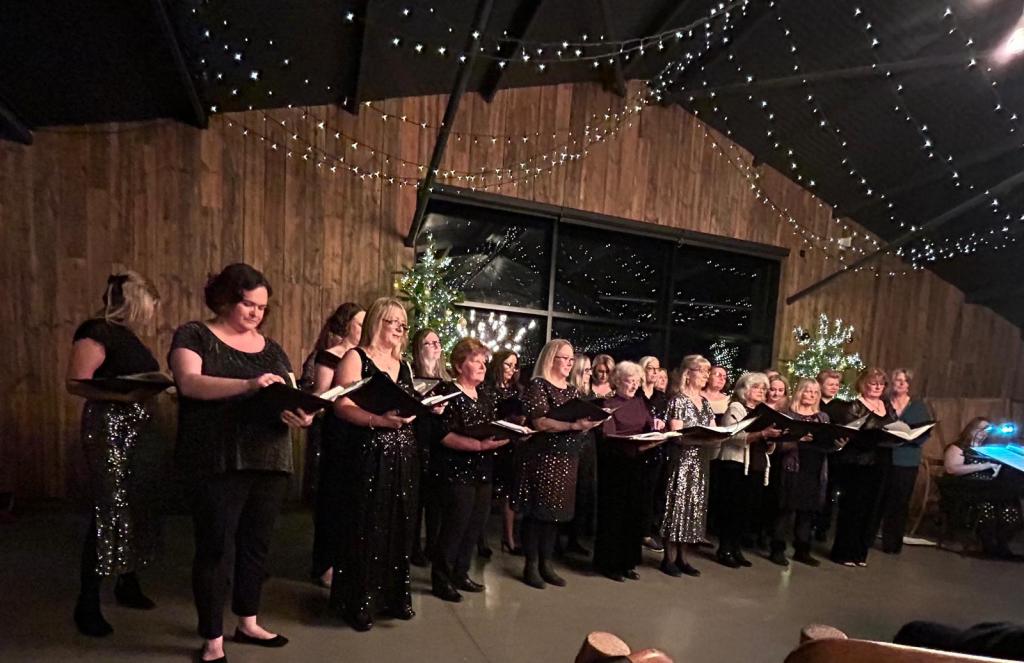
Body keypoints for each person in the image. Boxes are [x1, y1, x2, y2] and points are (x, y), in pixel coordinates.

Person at [170, 263, 314, 662]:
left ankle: (248, 621)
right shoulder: (194, 334)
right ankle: (212, 638)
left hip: (269, 458)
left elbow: (289, 393)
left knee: (256, 545)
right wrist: (249, 385)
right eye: (249, 304)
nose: (256, 313)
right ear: (225, 299)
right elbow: (189, 383)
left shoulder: (272, 349)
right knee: (215, 547)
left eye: (262, 307)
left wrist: (302, 414)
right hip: (215, 458)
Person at [66, 271, 164, 637]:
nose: (152, 314)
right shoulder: (96, 331)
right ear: (135, 304)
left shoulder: (128, 336)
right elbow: (75, 383)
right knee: (109, 507)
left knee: (136, 503)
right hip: (110, 426)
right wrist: (122, 396)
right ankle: (87, 601)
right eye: (150, 306)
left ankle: (127, 581)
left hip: (138, 426)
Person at [326, 297, 422, 631]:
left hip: (403, 452)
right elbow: (341, 405)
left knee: (399, 523)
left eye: (403, 324)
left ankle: (393, 598)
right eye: (393, 321)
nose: (399, 328)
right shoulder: (356, 357)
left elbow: (409, 403)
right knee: (366, 523)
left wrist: (424, 407)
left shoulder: (403, 364)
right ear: (377, 321)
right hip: (368, 450)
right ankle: (358, 602)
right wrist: (378, 421)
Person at [514, 340, 601, 589]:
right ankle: (531, 565)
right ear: (551, 359)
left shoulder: (572, 391)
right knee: (537, 513)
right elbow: (540, 422)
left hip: (568, 457)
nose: (569, 363)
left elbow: (577, 421)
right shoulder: (538, 385)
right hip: (543, 457)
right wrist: (573, 425)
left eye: (572, 359)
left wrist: (588, 424)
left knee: (555, 514)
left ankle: (546, 563)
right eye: (565, 358)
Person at [430, 338, 510, 602]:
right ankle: (441, 578)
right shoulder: (447, 392)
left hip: (483, 469)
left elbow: (492, 426)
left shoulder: (485, 395)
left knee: (475, 525)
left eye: (484, 361)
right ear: (458, 364)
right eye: (476, 361)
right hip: (456, 470)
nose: (483, 366)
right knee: (454, 526)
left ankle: (461, 573)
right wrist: (478, 445)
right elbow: (442, 435)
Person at [306, 303, 364, 588]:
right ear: (346, 325)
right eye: (360, 323)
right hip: (336, 430)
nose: (364, 329)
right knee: (332, 498)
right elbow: (321, 395)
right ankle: (325, 564)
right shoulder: (331, 355)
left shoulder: (364, 356)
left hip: (359, 430)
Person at [593, 361, 666, 581]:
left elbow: (648, 426)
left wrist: (657, 427)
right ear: (617, 381)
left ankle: (628, 562)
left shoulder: (639, 402)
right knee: (614, 515)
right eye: (629, 381)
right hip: (616, 466)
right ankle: (609, 564)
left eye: (637, 381)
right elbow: (608, 437)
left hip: (639, 465)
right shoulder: (608, 404)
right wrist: (637, 443)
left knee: (634, 514)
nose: (634, 385)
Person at [772, 378, 844, 566]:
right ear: (799, 392)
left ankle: (802, 550)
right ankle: (777, 549)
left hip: (815, 467)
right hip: (793, 466)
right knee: (786, 509)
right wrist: (797, 439)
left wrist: (837, 445)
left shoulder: (822, 417)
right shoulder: (788, 415)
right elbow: (776, 445)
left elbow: (828, 444)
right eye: (807, 391)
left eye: (815, 392)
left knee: (808, 510)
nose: (811, 395)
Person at [830, 367, 895, 567]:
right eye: (873, 383)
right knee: (853, 508)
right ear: (863, 384)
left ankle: (860, 553)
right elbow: (850, 434)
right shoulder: (854, 406)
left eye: (881, 384)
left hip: (881, 462)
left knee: (872, 509)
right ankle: (843, 552)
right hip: (858, 462)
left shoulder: (887, 406)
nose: (877, 387)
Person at [715, 372, 782, 568]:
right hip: (736, 465)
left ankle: (736, 549)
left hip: (756, 465)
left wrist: (772, 438)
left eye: (763, 388)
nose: (761, 391)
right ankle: (725, 549)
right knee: (732, 509)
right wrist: (762, 433)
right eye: (756, 387)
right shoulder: (736, 408)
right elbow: (732, 435)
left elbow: (767, 446)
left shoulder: (764, 411)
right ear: (745, 390)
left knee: (747, 510)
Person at [661, 355, 715, 577]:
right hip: (682, 461)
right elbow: (677, 435)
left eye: (707, 372)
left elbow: (714, 431)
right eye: (701, 371)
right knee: (677, 506)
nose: (705, 376)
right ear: (688, 374)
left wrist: (714, 436)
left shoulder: (705, 403)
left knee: (694, 506)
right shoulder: (678, 401)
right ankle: (668, 558)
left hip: (701, 461)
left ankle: (684, 558)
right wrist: (702, 438)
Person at [942, 417, 1024, 558]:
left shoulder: (989, 449)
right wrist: (984, 466)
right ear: (971, 429)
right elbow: (951, 469)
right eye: (980, 429)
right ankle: (988, 542)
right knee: (991, 501)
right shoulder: (958, 447)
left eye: (987, 430)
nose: (983, 433)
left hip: (988, 487)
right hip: (965, 487)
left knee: (1009, 499)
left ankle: (1002, 542)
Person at [875, 368, 932, 554]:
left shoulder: (918, 407)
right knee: (877, 499)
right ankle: (867, 537)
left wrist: (908, 437)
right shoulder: (883, 403)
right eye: (897, 380)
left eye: (904, 381)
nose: (900, 383)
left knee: (899, 503)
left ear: (909, 385)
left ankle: (892, 543)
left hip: (906, 459)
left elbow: (925, 433)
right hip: (882, 456)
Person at [410, 328, 451, 566]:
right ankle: (414, 547)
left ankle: (433, 546)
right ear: (419, 348)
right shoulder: (411, 375)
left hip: (440, 446)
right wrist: (427, 408)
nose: (436, 346)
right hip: (418, 441)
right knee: (416, 501)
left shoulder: (446, 379)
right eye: (429, 343)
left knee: (435, 502)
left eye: (437, 342)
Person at [480, 349, 523, 555]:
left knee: (508, 492)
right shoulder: (485, 388)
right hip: (491, 442)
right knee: (487, 493)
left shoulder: (517, 390)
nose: (512, 369)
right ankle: (481, 539)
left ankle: (509, 538)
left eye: (515, 366)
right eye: (508, 364)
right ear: (498, 364)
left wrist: (520, 420)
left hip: (511, 444)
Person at [638, 356, 669, 552]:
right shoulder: (636, 394)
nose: (655, 372)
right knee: (638, 492)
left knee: (652, 493)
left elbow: (666, 420)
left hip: (657, 449)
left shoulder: (661, 397)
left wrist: (663, 426)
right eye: (651, 368)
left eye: (658, 368)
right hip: (638, 449)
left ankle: (646, 532)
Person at [567, 353, 597, 556]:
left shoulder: (589, 394)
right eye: (586, 370)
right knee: (570, 491)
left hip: (588, 445)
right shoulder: (570, 394)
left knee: (583, 491)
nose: (589, 374)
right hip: (573, 444)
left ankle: (574, 538)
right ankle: (561, 539)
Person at [814, 369, 846, 542]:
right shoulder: (814, 402)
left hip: (834, 454)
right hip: (814, 450)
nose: (834, 387)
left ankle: (822, 527)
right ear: (820, 385)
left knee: (829, 492)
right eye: (830, 384)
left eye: (837, 384)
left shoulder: (842, 406)